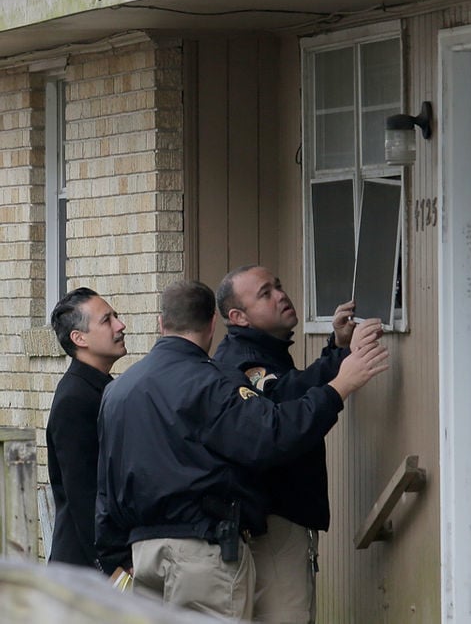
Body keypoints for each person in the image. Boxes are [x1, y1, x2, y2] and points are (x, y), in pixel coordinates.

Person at [95, 280, 388, 619]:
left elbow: (105, 486)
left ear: (162, 323)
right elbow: (270, 436)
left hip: (143, 555)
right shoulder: (211, 382)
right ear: (213, 324)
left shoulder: (118, 391)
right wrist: (339, 387)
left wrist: (114, 559)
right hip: (201, 553)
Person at [213, 265, 382, 624]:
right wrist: (344, 369)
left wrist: (338, 347)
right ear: (237, 316)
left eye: (278, 285)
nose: (280, 295)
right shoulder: (241, 361)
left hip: (282, 518)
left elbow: (296, 386)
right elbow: (287, 406)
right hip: (273, 520)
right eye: (265, 293)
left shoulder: (263, 348)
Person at [47, 287, 126, 572]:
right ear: (79, 338)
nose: (120, 325)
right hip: (86, 571)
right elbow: (84, 494)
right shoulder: (75, 399)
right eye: (107, 320)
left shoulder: (102, 388)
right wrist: (114, 565)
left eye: (116, 317)